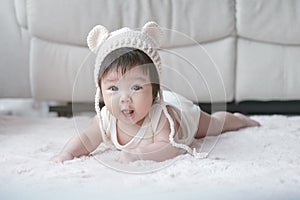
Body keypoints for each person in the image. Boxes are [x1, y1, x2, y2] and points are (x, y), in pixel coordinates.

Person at [52, 21, 260, 163]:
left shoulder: (161, 118)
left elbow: (170, 147)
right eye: (113, 88)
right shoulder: (106, 119)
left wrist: (137, 154)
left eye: (136, 87)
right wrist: (67, 153)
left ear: (153, 89)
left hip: (182, 112)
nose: (124, 98)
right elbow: (86, 140)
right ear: (101, 91)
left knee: (214, 125)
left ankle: (239, 119)